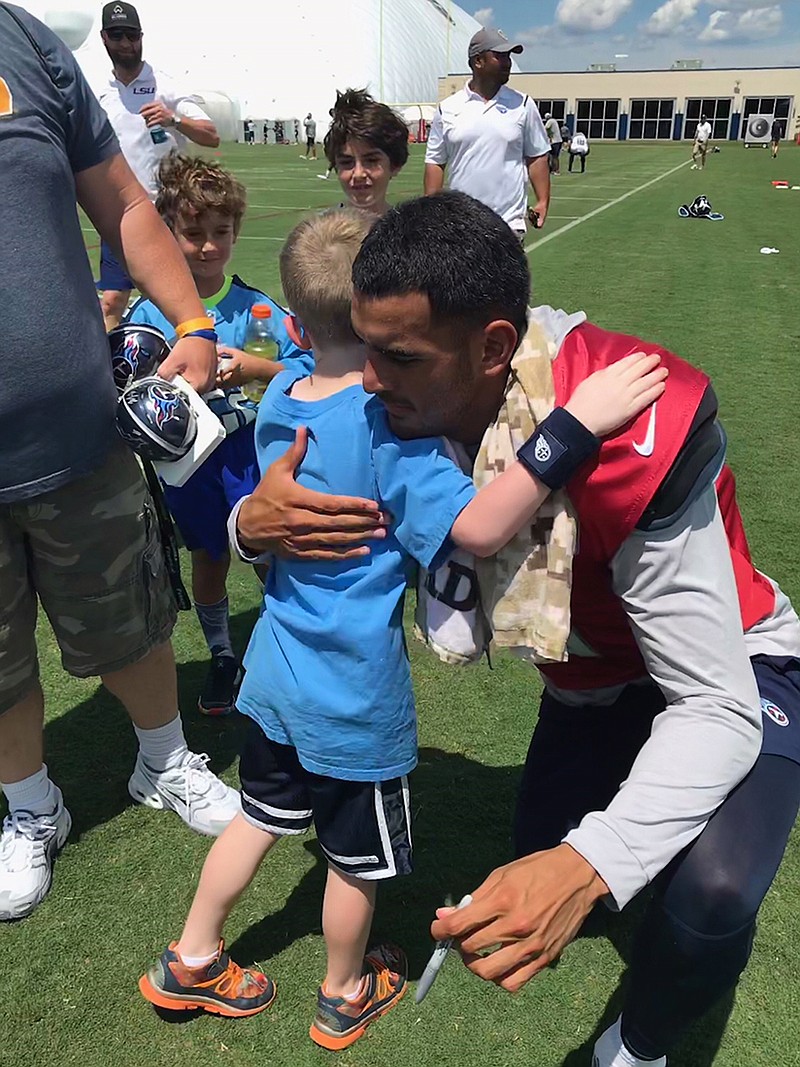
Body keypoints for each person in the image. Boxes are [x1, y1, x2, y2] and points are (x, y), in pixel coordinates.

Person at [234, 192, 800, 1067]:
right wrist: (250, 526)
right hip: (592, 675)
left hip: (729, 664)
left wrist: (593, 863)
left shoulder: (630, 430)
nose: (370, 380)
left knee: (710, 892)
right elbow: (293, 512)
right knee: (537, 844)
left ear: (496, 347)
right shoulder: (390, 407)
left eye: (397, 355)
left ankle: (638, 1046)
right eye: (364, 345)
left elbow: (713, 704)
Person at [138, 207, 665, 1048]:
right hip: (353, 689)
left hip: (275, 663)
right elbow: (480, 529)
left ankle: (192, 956)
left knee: (260, 818)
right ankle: (344, 988)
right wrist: (572, 425)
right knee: (356, 859)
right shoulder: (391, 425)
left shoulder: (281, 389)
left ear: (297, 317)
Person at [0, 3, 240, 923]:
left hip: (77, 427)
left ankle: (164, 758)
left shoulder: (23, 40)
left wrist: (192, 317)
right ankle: (31, 808)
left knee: (130, 614)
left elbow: (127, 204)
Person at [127, 154, 302, 716]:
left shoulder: (259, 309)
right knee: (209, 558)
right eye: (192, 233)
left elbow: (309, 370)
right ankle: (223, 654)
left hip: (252, 455)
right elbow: (132, 390)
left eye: (219, 233)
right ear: (168, 234)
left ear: (236, 232)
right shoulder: (151, 314)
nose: (207, 246)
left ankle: (285, 644)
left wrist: (255, 369)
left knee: (270, 552)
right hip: (189, 468)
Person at [92, 1, 220, 330]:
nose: (126, 44)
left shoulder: (165, 85)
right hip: (119, 211)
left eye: (132, 35)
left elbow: (211, 135)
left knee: (181, 298)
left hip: (168, 212)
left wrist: (174, 119)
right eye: (118, 36)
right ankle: (111, 377)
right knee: (112, 301)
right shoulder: (98, 93)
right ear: (105, 38)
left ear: (141, 37)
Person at [424, 27, 551, 238]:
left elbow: (537, 156)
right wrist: (430, 212)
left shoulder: (523, 104)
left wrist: (543, 201)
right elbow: (435, 162)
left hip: (508, 225)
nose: (508, 62)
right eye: (500, 56)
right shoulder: (447, 108)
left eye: (509, 56)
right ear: (478, 61)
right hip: (461, 226)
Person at [321, 88, 409, 215]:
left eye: (371, 161)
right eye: (346, 162)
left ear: (395, 165)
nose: (358, 174)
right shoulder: (318, 232)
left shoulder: (408, 231)